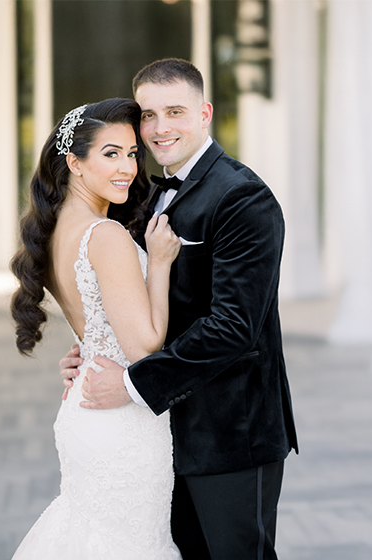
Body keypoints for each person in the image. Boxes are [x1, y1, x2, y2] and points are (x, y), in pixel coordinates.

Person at [59, 58, 298, 559]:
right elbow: (128, 297)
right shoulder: (141, 196)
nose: (160, 128)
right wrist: (93, 347)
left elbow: (234, 327)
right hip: (162, 437)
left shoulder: (242, 197)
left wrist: (130, 382)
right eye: (148, 115)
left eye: (175, 112)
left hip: (230, 432)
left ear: (205, 113)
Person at [9, 98, 182, 559]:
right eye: (111, 154)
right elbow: (145, 347)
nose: (127, 167)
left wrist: (82, 349)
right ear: (75, 163)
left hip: (86, 407)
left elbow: (94, 319)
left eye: (131, 154)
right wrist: (160, 264)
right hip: (122, 422)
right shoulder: (106, 236)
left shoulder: (53, 235)